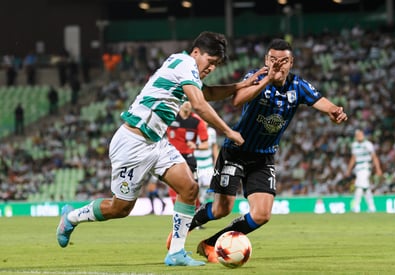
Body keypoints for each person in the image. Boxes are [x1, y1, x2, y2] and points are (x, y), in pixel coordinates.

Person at [56, 31, 263, 267]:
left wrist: (239, 85)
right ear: (196, 52)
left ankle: (176, 253)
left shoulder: (187, 70)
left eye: (216, 65)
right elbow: (198, 103)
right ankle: (71, 217)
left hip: (156, 142)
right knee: (120, 208)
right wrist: (227, 130)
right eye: (211, 62)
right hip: (132, 143)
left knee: (189, 188)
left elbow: (207, 93)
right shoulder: (184, 62)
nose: (212, 68)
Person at [167, 38, 348, 263]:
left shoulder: (298, 86)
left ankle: (211, 243)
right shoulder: (257, 77)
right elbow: (237, 100)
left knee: (262, 214)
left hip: (264, 156)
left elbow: (320, 100)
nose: (278, 65)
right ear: (266, 60)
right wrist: (267, 81)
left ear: (291, 62)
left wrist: (334, 110)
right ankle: (184, 228)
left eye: (284, 61)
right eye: (273, 59)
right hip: (236, 151)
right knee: (222, 209)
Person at [166, 101, 209, 206]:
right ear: (180, 103)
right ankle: (177, 212)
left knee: (193, 188)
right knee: (173, 185)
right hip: (173, 157)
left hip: (188, 158)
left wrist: (196, 146)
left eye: (190, 101)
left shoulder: (197, 121)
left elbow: (206, 144)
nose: (187, 104)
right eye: (185, 101)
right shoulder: (170, 117)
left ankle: (197, 213)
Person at [345, 129, 382, 213]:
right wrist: (349, 169)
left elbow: (374, 157)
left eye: (361, 135)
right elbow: (353, 158)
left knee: (359, 186)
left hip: (365, 166)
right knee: (365, 188)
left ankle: (356, 206)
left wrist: (378, 168)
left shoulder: (368, 144)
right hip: (358, 167)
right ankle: (372, 207)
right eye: (358, 135)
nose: (359, 136)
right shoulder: (354, 145)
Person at [194, 121, 219, 204]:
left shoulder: (212, 132)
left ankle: (202, 201)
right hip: (196, 162)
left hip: (208, 163)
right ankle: (199, 202)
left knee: (209, 185)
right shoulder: (193, 129)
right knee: (195, 186)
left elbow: (214, 146)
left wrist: (216, 160)